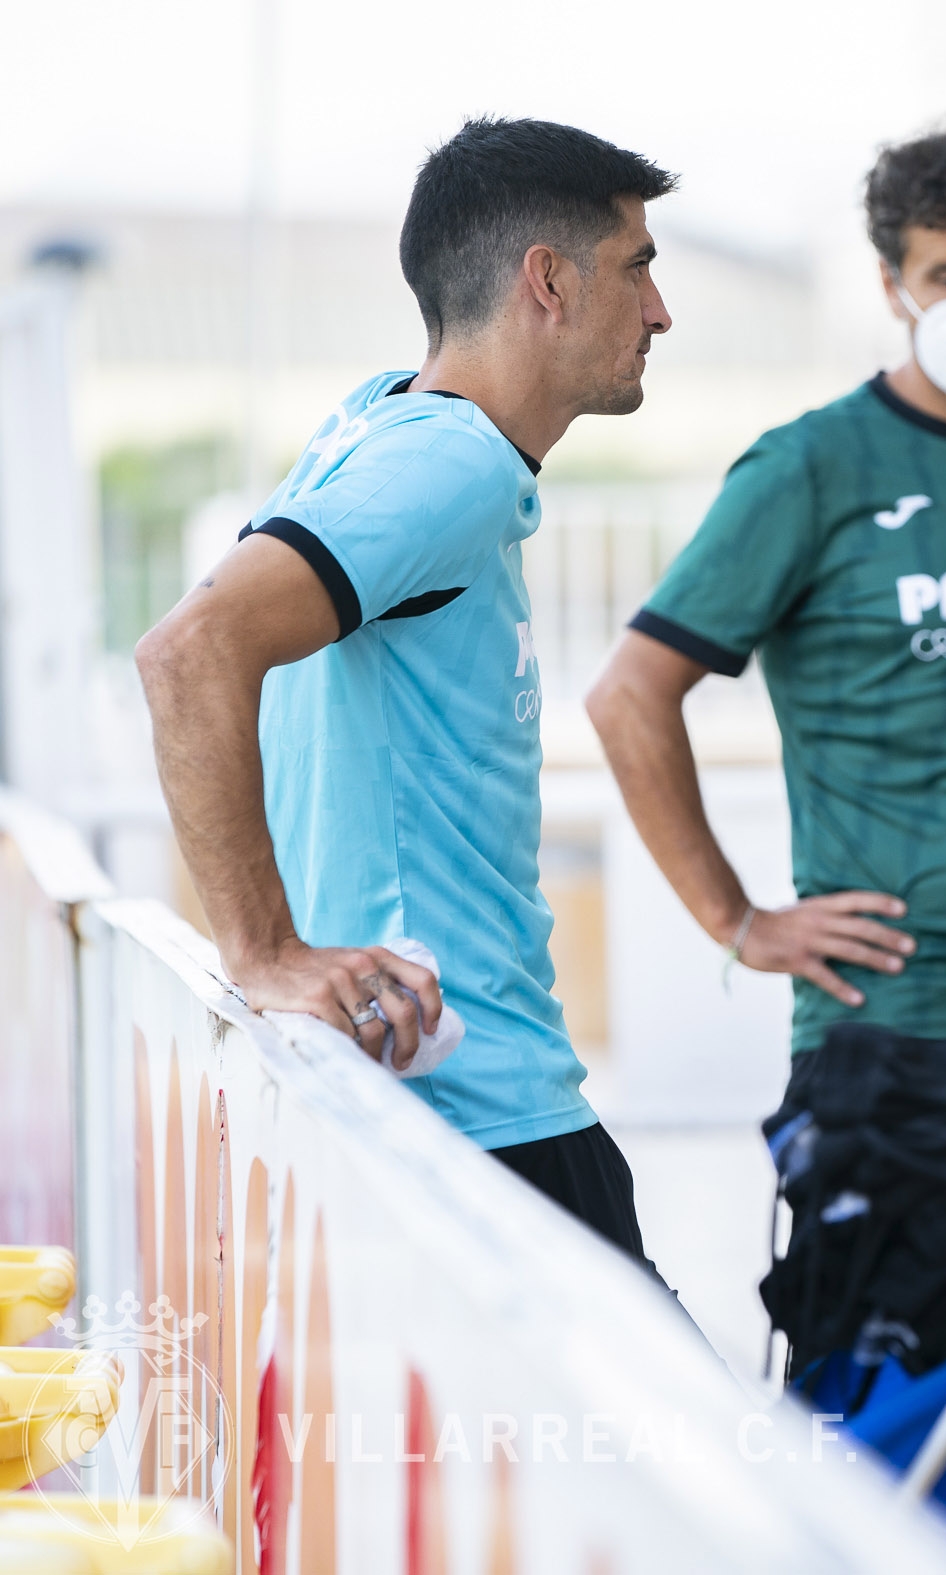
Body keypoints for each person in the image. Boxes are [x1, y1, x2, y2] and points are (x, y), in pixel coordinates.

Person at [136, 118, 679, 1272]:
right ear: (548, 281)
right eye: (636, 267)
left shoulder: (378, 419)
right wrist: (264, 950)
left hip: (432, 1103)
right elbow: (189, 652)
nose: (659, 311)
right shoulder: (449, 462)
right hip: (478, 1115)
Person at [587, 120, 946, 1085]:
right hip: (887, 1019)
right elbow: (629, 694)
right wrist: (737, 920)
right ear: (893, 285)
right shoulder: (810, 466)